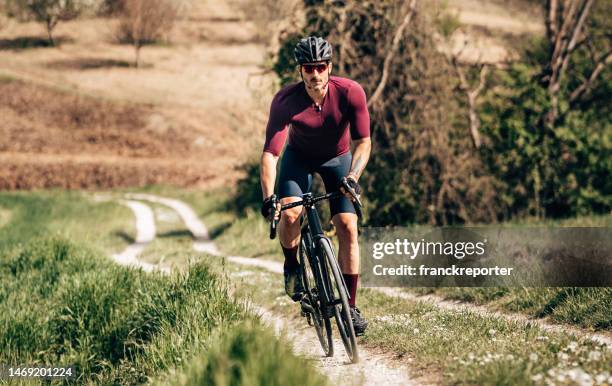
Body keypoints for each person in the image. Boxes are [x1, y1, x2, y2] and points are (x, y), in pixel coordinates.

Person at [259, 36, 371, 335]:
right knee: (291, 214)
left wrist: (353, 177)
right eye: (309, 67)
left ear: (329, 67)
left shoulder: (350, 93)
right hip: (298, 160)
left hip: (338, 159)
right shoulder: (286, 101)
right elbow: (271, 154)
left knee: (347, 225)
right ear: (300, 70)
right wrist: (269, 197)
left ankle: (350, 305)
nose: (315, 74)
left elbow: (363, 142)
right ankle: (292, 265)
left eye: (320, 67)